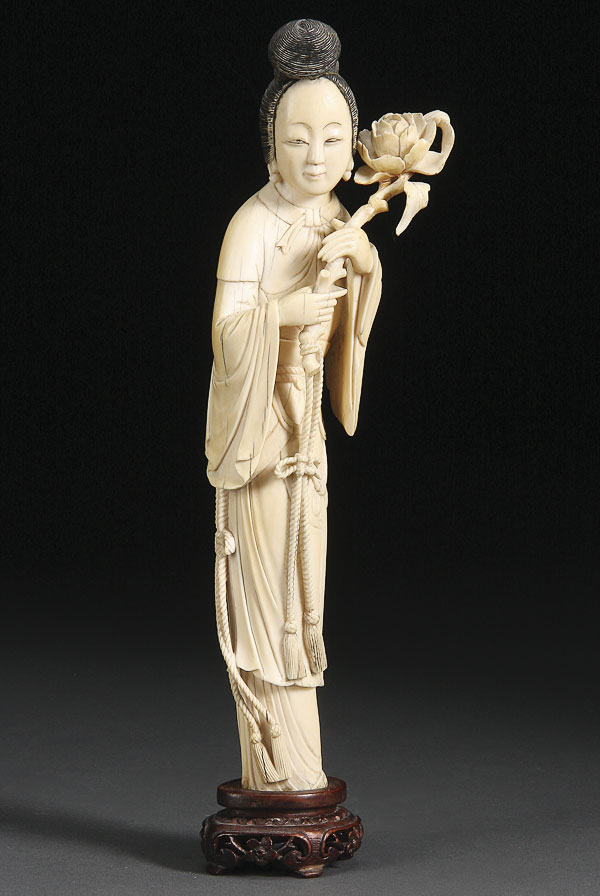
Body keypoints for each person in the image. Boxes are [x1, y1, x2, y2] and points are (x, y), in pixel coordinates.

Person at [206, 20, 382, 791]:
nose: (316, 156)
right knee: (269, 600)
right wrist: (285, 313)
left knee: (306, 595)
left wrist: (364, 264)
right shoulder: (252, 225)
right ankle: (278, 776)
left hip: (307, 439)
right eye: (297, 140)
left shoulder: (338, 219)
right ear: (270, 149)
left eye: (333, 139)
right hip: (262, 442)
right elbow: (228, 333)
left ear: (353, 150)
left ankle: (298, 775)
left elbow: (351, 326)